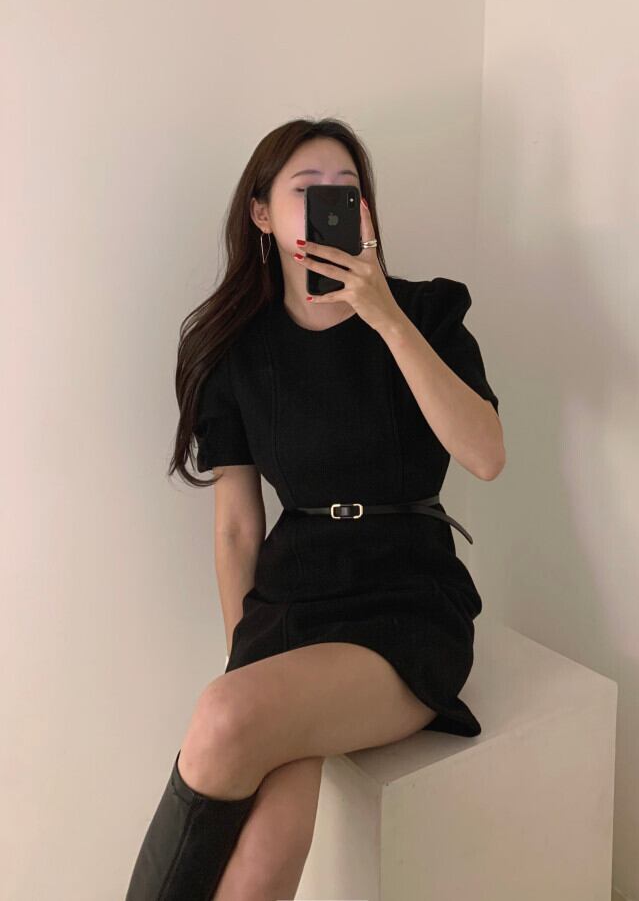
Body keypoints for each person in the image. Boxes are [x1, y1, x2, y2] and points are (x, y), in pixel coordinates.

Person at [124, 117, 505, 900]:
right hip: (290, 599)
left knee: (224, 718)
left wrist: (385, 315)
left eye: (347, 191)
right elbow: (237, 527)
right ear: (262, 213)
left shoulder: (425, 310)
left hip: (404, 601)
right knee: (260, 867)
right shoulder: (234, 351)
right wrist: (248, 665)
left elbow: (486, 453)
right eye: (307, 189)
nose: (332, 202)